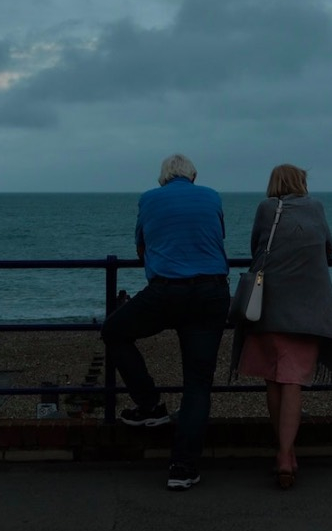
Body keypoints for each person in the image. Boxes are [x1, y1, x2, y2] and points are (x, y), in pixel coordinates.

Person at [100, 154, 230, 491]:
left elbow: (142, 247)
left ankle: (149, 404)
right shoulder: (212, 196)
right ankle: (182, 469)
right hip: (212, 292)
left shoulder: (149, 199)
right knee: (197, 384)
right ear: (193, 176)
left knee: (114, 332)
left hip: (167, 291)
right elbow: (219, 236)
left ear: (163, 177)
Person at [230, 163, 332, 489]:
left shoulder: (267, 209)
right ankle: (285, 456)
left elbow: (257, 247)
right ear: (301, 182)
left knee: (274, 380)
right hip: (307, 312)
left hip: (268, 308)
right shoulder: (316, 207)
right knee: (293, 381)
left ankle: (286, 452)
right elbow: (330, 250)